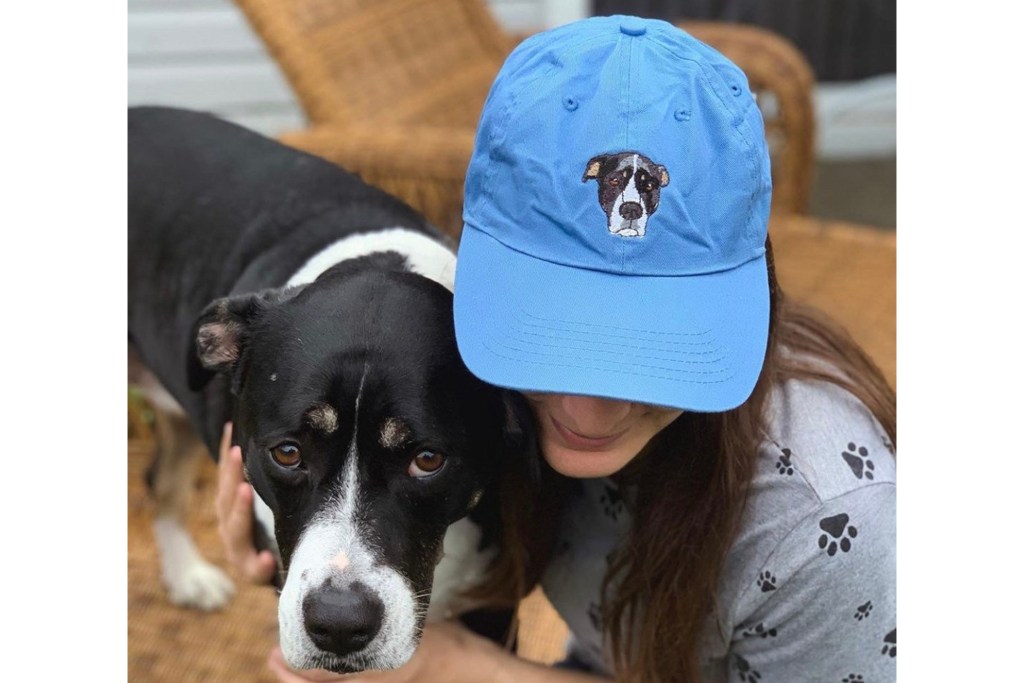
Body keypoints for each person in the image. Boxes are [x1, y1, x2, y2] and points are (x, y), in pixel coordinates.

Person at [216, 15, 896, 683]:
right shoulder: (468, 384)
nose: (586, 411)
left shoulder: (830, 531)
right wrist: (299, 548)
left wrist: (464, 667)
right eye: (551, 334)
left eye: (656, 350)